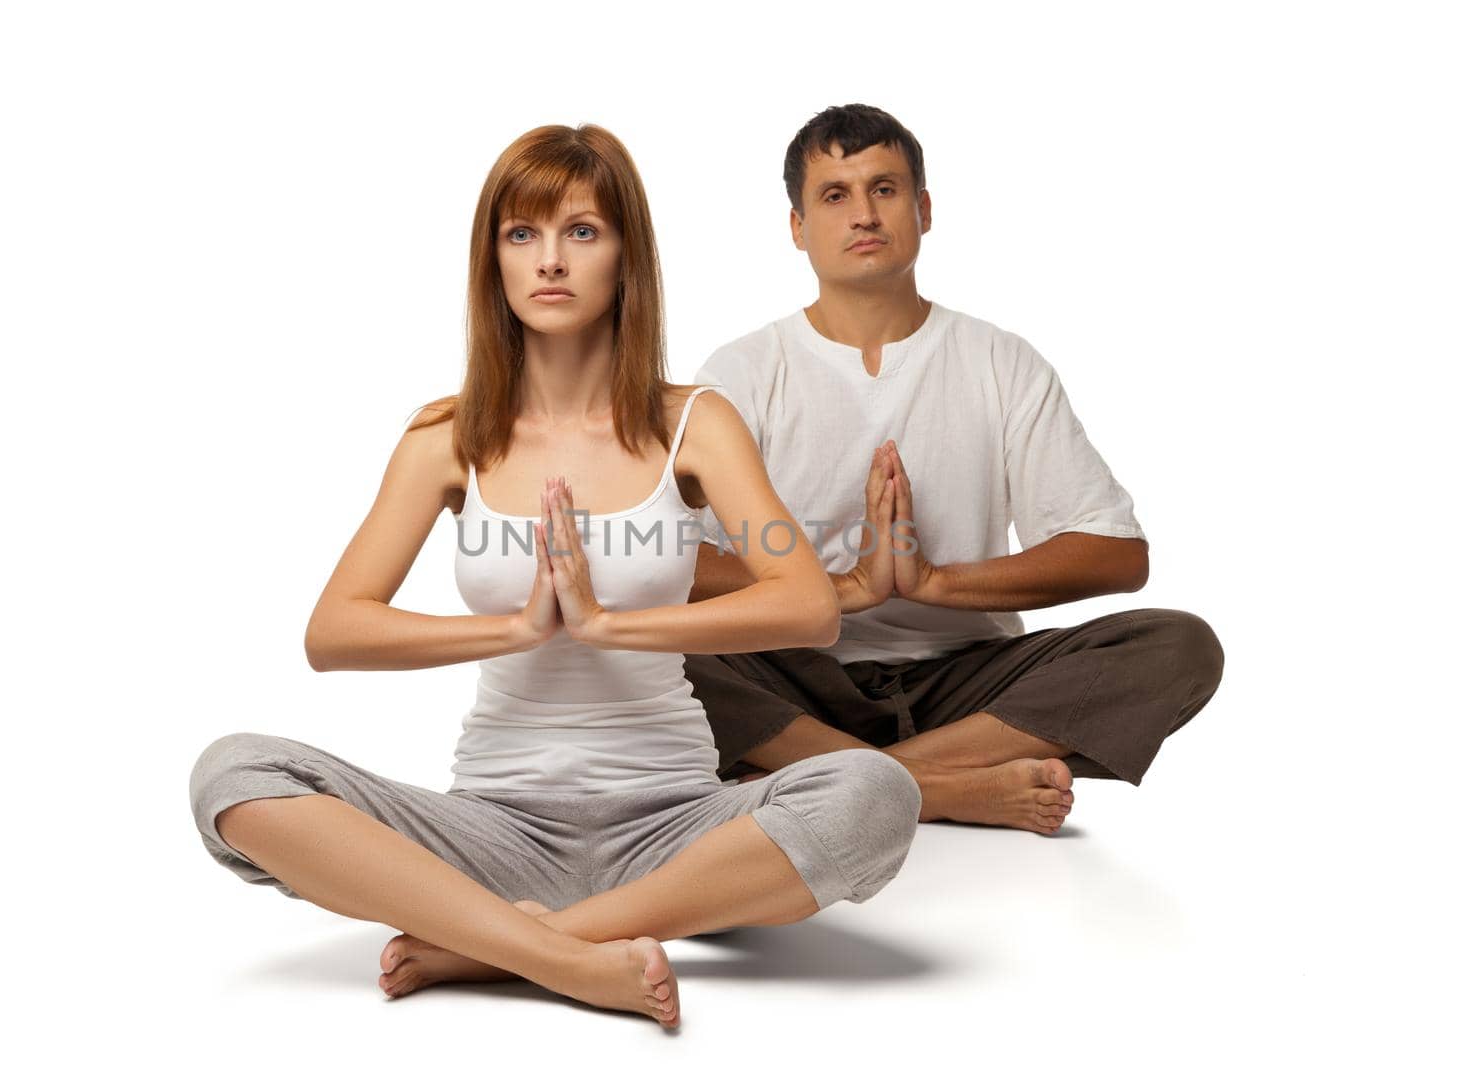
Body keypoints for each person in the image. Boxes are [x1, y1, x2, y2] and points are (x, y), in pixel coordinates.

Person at [186, 124, 923, 1029]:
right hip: (493, 825)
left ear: (626, 256)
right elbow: (334, 631)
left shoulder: (695, 422)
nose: (551, 261)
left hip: (675, 827)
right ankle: (559, 956)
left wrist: (615, 625)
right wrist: (517, 628)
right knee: (233, 775)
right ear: (492, 259)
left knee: (877, 792)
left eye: (582, 231)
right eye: (522, 234)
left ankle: (499, 948)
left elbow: (808, 605)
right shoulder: (443, 437)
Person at [682, 104, 1226, 835]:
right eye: (834, 195)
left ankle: (863, 778)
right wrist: (842, 589)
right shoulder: (743, 372)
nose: (863, 214)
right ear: (798, 228)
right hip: (792, 678)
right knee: (631, 645)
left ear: (924, 209)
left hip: (968, 683)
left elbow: (1117, 553)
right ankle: (938, 787)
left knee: (1181, 646)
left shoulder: (999, 362)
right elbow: (671, 559)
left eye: (886, 188)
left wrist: (934, 581)